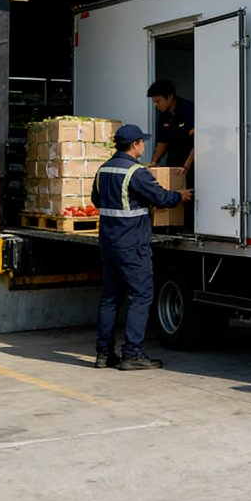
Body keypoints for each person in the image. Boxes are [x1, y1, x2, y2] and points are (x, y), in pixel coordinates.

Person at [93, 123, 193, 370]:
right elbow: (160, 198)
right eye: (142, 142)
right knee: (141, 296)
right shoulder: (136, 172)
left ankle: (103, 354)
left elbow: (97, 200)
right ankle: (132, 355)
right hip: (132, 245)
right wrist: (180, 195)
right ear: (135, 144)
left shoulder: (104, 170)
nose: (144, 146)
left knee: (110, 299)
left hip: (108, 243)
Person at [146, 79, 195, 178]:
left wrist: (186, 166)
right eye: (154, 102)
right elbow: (162, 142)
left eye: (158, 101)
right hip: (173, 165)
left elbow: (198, 143)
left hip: (192, 166)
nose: (156, 105)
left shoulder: (189, 111)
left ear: (170, 97)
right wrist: (154, 162)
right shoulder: (164, 115)